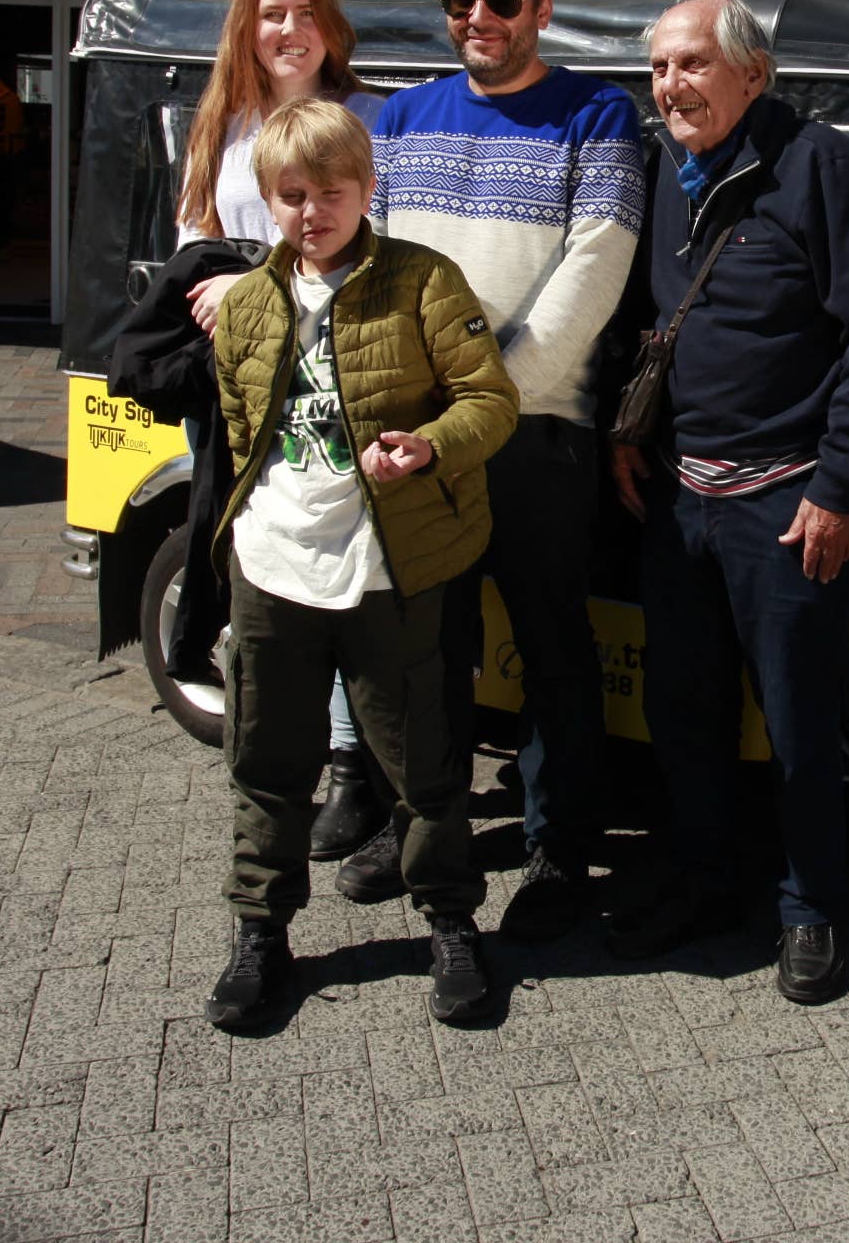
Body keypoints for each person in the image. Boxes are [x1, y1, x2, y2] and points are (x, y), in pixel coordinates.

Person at [607, 0, 849, 1004]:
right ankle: (704, 879)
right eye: (659, 68)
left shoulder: (819, 167)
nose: (671, 86)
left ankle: (810, 906)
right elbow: (645, 321)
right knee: (682, 708)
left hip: (786, 508)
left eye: (692, 64)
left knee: (796, 719)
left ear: (753, 73)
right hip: (680, 500)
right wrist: (627, 437)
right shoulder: (659, 172)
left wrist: (836, 486)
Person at [200, 99, 519, 1032]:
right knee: (266, 764)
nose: (312, 212)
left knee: (423, 768)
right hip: (272, 572)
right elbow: (235, 428)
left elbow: (490, 402)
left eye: (330, 192)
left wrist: (425, 447)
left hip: (391, 575)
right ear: (267, 200)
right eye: (291, 195)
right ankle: (261, 935)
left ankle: (452, 927)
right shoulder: (249, 306)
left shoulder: (423, 282)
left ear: (367, 188)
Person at [358, 0, 647, 943]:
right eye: (459, 1)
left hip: (534, 431)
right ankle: (426, 828)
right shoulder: (398, 119)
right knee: (425, 651)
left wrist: (484, 400)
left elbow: (596, 270)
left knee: (551, 647)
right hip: (421, 433)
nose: (477, 18)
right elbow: (375, 263)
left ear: (543, 7)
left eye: (500, 0)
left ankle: (558, 846)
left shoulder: (600, 115)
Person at [174, 0, 393, 865]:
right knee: (267, 563)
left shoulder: (371, 115)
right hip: (242, 381)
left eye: (305, 12)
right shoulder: (221, 121)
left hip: (340, 375)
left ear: (329, 25)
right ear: (248, 29)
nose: (289, 30)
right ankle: (277, 764)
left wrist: (254, 281)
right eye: (271, 15)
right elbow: (194, 237)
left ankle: (354, 767)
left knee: (346, 559)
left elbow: (385, 240)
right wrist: (229, 287)